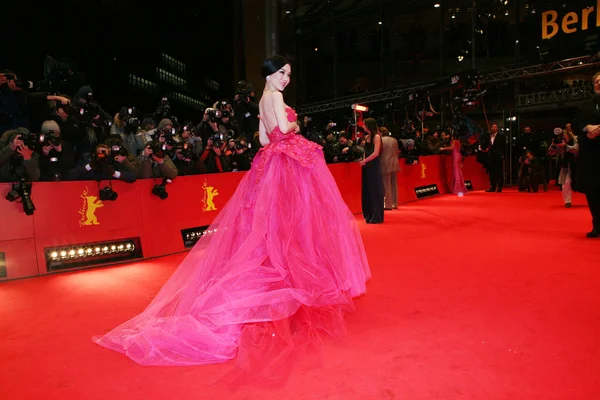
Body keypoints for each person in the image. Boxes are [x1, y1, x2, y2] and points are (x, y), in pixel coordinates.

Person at [93, 55, 371, 380]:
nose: (286, 79)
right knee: (297, 225)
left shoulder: (263, 100)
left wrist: (282, 131)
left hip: (270, 165)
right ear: (269, 74)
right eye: (281, 73)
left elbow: (265, 139)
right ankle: (295, 286)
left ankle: (287, 284)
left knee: (272, 228)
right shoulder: (276, 98)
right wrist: (296, 125)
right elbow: (281, 130)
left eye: (289, 74)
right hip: (288, 167)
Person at [574, 71, 600, 238]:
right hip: (591, 157)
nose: (599, 84)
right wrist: (588, 128)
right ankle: (597, 224)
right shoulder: (584, 105)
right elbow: (576, 124)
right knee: (593, 192)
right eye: (597, 81)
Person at [359, 118, 384, 223]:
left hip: (373, 165)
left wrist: (365, 160)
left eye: (364, 125)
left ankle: (376, 215)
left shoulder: (377, 137)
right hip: (367, 166)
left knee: (374, 189)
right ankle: (369, 215)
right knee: (367, 190)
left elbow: (376, 153)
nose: (363, 126)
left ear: (369, 125)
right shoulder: (366, 137)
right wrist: (363, 161)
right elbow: (366, 151)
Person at [380, 127, 400, 209]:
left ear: (381, 132)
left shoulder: (381, 140)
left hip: (385, 163)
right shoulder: (394, 140)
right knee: (393, 184)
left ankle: (387, 204)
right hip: (394, 162)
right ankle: (394, 203)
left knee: (386, 184)